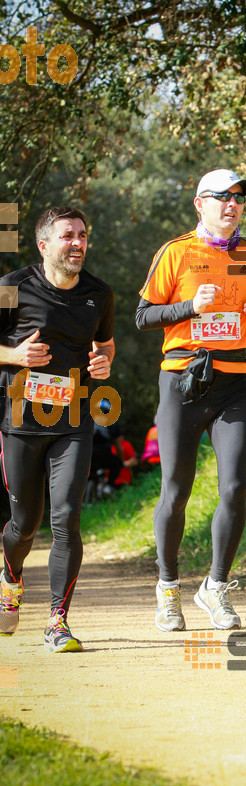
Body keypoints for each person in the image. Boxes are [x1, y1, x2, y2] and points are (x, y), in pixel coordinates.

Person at [136, 168, 246, 631]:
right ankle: (168, 588)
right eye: (222, 197)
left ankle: (215, 587)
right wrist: (191, 308)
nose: (232, 205)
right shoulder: (175, 252)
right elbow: (142, 315)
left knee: (234, 487)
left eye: (239, 198)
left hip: (232, 382)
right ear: (200, 204)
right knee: (176, 489)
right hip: (181, 383)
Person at [0, 206, 114, 652]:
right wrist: (13, 357)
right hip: (20, 421)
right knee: (25, 524)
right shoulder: (12, 287)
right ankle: (10, 574)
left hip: (74, 420)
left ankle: (57, 621)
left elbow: (105, 343)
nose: (78, 243)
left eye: (83, 235)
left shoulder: (99, 293)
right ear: (44, 244)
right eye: (68, 236)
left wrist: (105, 360)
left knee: (66, 517)